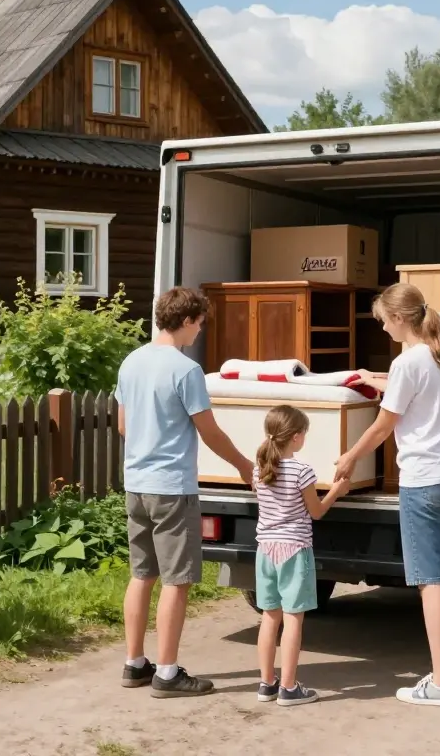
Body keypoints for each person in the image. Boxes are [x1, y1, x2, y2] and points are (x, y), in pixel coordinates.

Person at [333, 282, 440, 708]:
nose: (382, 328)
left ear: (398, 319)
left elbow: (383, 424)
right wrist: (376, 378)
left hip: (424, 482)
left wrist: (350, 457)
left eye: (382, 321)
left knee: (430, 583)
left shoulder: (408, 363)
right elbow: (409, 389)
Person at [116, 286, 255, 699]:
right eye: (200, 323)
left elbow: (123, 426)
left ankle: (134, 663)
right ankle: (168, 673)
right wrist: (244, 466)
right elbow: (208, 430)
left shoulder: (131, 362)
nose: (200, 332)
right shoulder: (185, 370)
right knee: (177, 580)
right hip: (173, 487)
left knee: (142, 574)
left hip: (136, 484)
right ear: (189, 320)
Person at [253, 404, 350, 707]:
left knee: (270, 617)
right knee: (294, 618)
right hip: (294, 550)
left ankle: (267, 683)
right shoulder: (301, 470)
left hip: (265, 549)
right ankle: (289, 687)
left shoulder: (258, 469)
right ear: (296, 437)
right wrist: (336, 490)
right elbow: (317, 511)